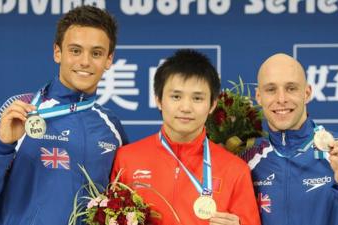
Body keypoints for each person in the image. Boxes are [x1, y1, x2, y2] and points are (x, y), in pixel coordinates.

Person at [0, 6, 128, 225]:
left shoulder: (111, 127)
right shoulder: (20, 109)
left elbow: (121, 202)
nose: (85, 62)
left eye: (96, 53)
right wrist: (1, 145)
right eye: (75, 50)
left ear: (108, 60)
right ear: (57, 52)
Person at [112, 49, 261, 225]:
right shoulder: (127, 159)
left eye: (197, 98)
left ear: (212, 104)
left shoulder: (235, 170)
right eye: (176, 96)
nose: (186, 107)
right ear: (158, 99)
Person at [242, 53, 338, 225]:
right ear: (258, 96)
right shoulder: (246, 162)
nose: (281, 99)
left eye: (291, 88)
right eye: (271, 89)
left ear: (307, 93)